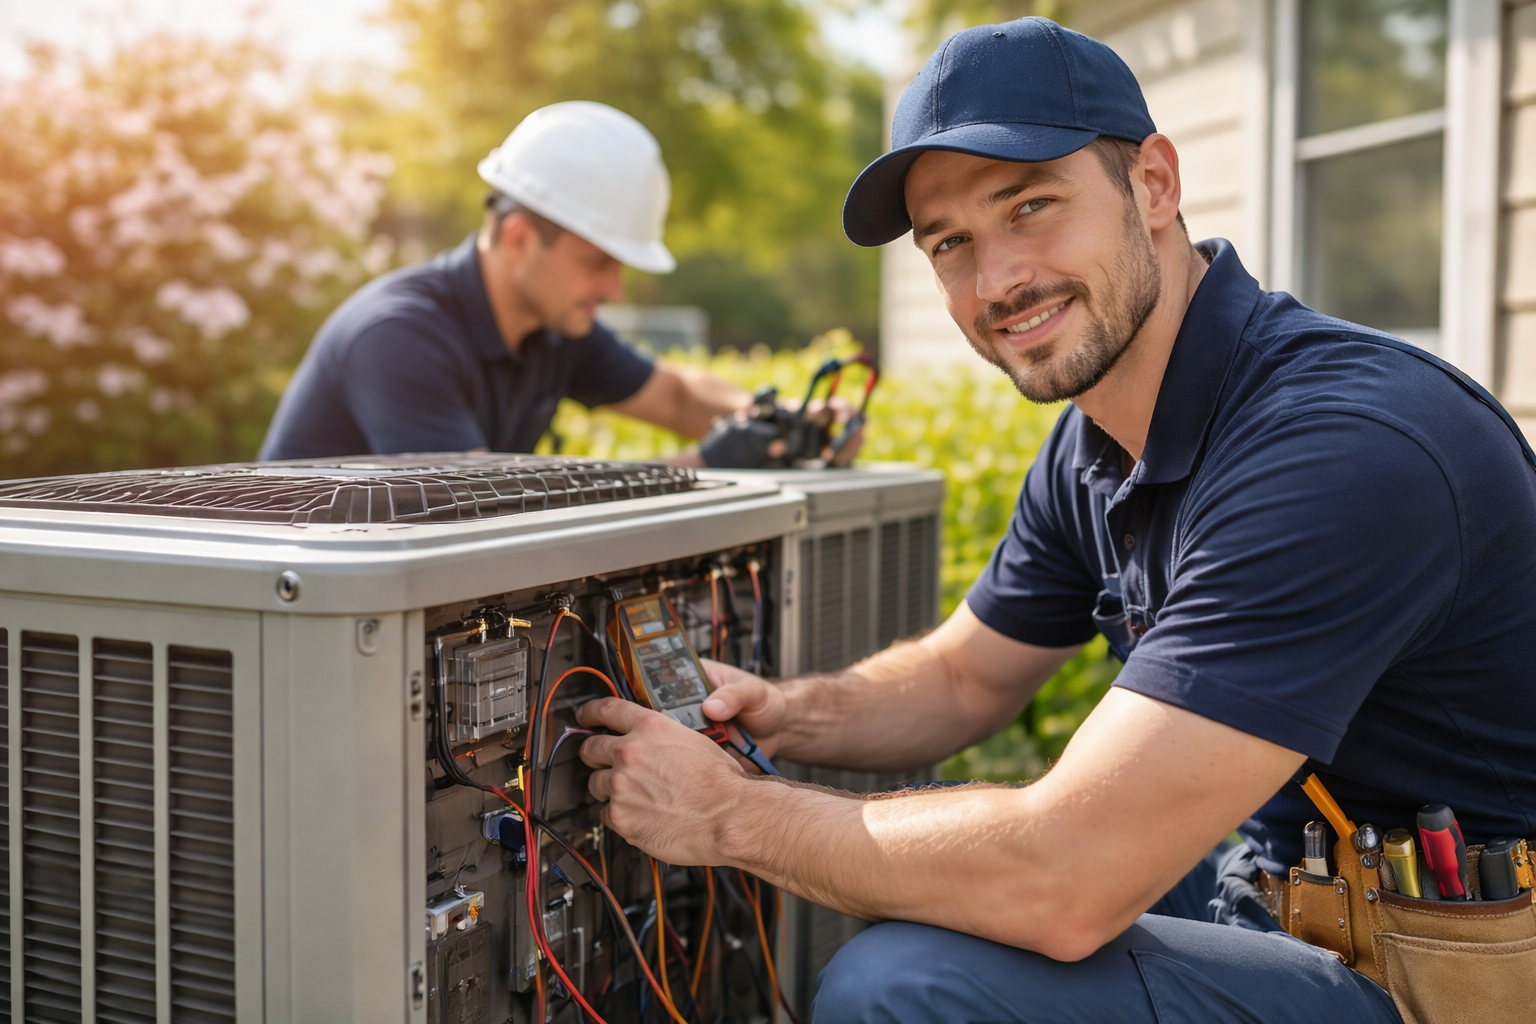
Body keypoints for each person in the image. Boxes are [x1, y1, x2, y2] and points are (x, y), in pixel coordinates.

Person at [574, 17, 1536, 1023]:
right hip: (1290, 896)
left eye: (1031, 205)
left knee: (904, 981)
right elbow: (963, 674)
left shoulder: (1344, 449)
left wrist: (731, 813)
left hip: (1457, 972)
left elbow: (1066, 879)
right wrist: (785, 710)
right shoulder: (1099, 438)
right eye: (951, 244)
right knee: (950, 892)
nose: (997, 281)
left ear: (1154, 185)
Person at [258, 101, 750, 462]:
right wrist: (702, 464)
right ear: (518, 240)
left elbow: (677, 397)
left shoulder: (553, 327)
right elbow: (486, 510)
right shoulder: (397, 336)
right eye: (598, 262)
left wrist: (787, 419)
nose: (614, 290)